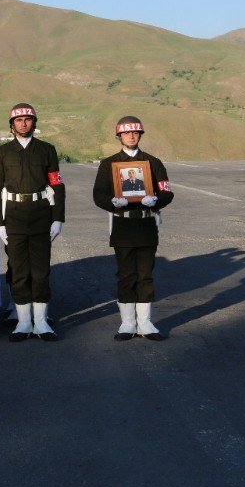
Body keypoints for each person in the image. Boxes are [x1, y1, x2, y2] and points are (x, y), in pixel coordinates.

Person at [92, 116, 174, 341]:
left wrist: (156, 200)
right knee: (126, 274)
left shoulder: (153, 163)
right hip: (122, 225)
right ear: (119, 136)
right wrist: (112, 202)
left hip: (146, 224)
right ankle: (127, 324)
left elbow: (167, 192)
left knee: (145, 274)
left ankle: (145, 323)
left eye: (135, 133)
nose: (131, 136)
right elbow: (98, 194)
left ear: (140, 135)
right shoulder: (108, 164)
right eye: (126, 133)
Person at [0, 103, 66, 342]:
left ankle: (41, 322)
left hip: (41, 214)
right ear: (11, 125)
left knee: (41, 271)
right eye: (19, 120)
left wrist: (58, 218)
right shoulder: (3, 153)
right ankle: (23, 323)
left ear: (34, 122)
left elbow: (56, 184)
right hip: (13, 216)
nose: (24, 123)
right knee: (20, 272)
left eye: (28, 119)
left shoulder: (47, 150)